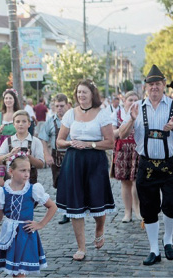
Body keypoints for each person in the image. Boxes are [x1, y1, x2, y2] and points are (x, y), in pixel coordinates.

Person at [56, 79, 116, 261]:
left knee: (97, 199)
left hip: (95, 160)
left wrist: (89, 144)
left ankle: (99, 228)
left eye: (84, 92)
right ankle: (81, 247)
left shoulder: (102, 113)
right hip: (74, 161)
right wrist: (69, 143)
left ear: (92, 94)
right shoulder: (70, 114)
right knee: (75, 204)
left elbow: (110, 142)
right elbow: (59, 141)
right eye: (79, 92)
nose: (81, 95)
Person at [119, 65, 173, 265]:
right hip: (146, 164)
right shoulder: (136, 108)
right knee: (148, 209)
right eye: (151, 84)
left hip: (170, 164)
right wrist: (131, 121)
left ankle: (168, 240)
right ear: (146, 87)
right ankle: (154, 250)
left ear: (164, 85)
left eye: (158, 84)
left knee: (171, 204)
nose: (154, 88)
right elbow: (121, 135)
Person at [0, 153, 57, 276]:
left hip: (26, 234)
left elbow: (52, 207)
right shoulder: (2, 192)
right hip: (9, 235)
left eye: (28, 170)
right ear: (11, 171)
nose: (27, 174)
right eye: (23, 170)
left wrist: (40, 224)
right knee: (15, 272)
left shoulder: (33, 190)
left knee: (20, 273)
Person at [39, 93, 71, 224]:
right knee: (59, 184)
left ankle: (69, 211)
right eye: (57, 106)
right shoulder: (50, 121)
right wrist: (46, 154)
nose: (59, 108)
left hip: (71, 155)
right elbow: (43, 138)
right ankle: (65, 209)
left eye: (62, 106)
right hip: (56, 156)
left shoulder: (73, 119)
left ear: (68, 105)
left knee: (71, 184)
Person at [111, 91, 141, 223]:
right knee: (125, 182)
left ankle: (137, 209)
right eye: (130, 99)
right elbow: (112, 133)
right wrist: (125, 125)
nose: (133, 102)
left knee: (137, 181)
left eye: (136, 99)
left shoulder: (142, 113)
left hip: (138, 150)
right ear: (124, 101)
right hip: (122, 150)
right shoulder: (117, 114)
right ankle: (127, 212)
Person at [0, 110, 44, 184]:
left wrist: (29, 158)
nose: (20, 124)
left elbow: (41, 165)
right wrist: (9, 155)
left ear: (29, 124)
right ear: (14, 124)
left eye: (24, 121)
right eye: (18, 122)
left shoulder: (36, 141)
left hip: (30, 182)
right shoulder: (8, 141)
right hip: (11, 182)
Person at [0, 89, 19, 187]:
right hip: (2, 149)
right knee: (1, 182)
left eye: (10, 98)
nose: (8, 100)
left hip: (16, 147)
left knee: (16, 178)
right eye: (6, 98)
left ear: (14, 100)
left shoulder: (18, 114)